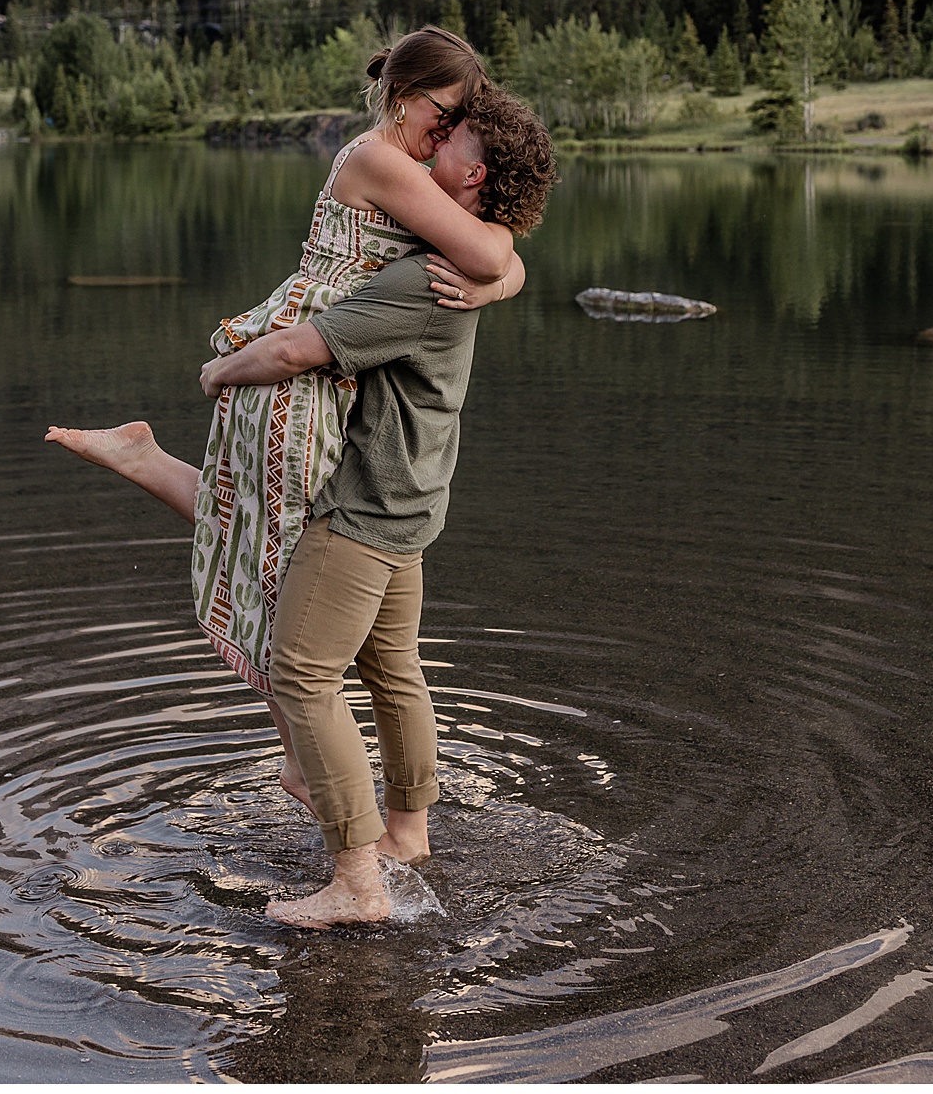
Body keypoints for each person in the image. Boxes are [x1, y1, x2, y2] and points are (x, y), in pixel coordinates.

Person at [47, 83, 558, 928]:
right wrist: (503, 278)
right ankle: (408, 835)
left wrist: (216, 372)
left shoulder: (419, 278)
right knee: (393, 670)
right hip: (411, 503)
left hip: (361, 508)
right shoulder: (465, 262)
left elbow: (296, 347)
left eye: (454, 142)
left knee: (302, 675)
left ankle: (358, 884)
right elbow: (504, 257)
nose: (432, 150)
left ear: (479, 174)